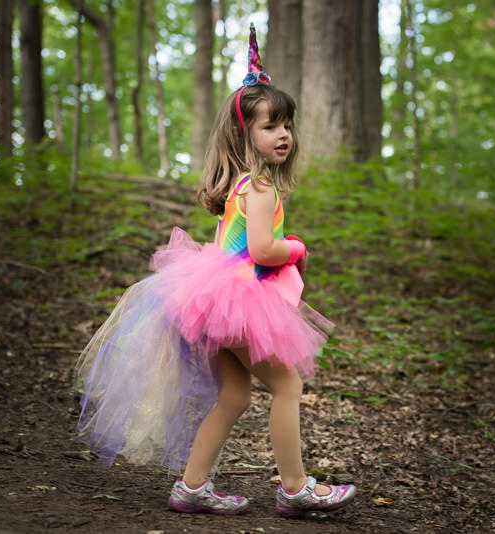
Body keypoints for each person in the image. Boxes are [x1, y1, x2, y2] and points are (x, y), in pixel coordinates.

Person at [74, 24, 356, 518]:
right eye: (270, 126)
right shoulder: (262, 187)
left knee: (233, 394)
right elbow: (265, 250)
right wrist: (296, 246)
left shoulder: (239, 186)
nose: (283, 134)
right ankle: (295, 487)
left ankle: (192, 486)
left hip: (211, 301)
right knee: (287, 386)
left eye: (287, 124)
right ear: (243, 133)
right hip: (240, 301)